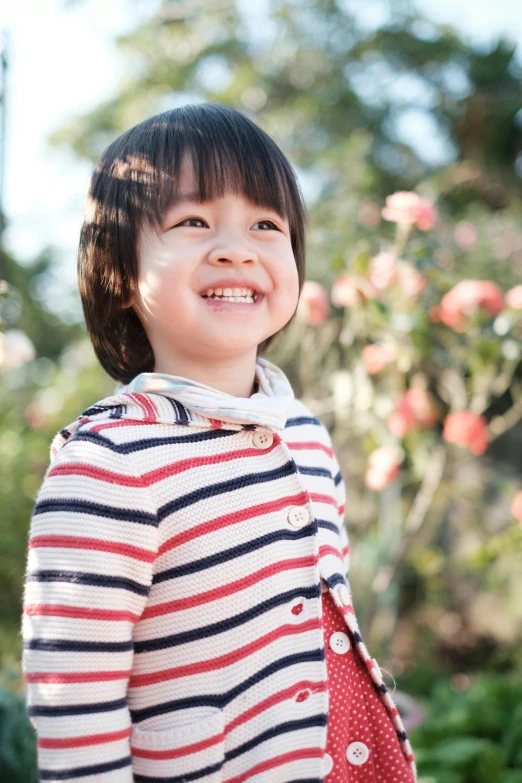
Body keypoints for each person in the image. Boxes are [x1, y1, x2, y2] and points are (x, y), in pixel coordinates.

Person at [21, 103, 416, 783]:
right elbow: (75, 703)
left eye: (267, 224)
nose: (238, 247)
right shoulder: (108, 464)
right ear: (118, 275)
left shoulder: (307, 438)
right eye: (193, 221)